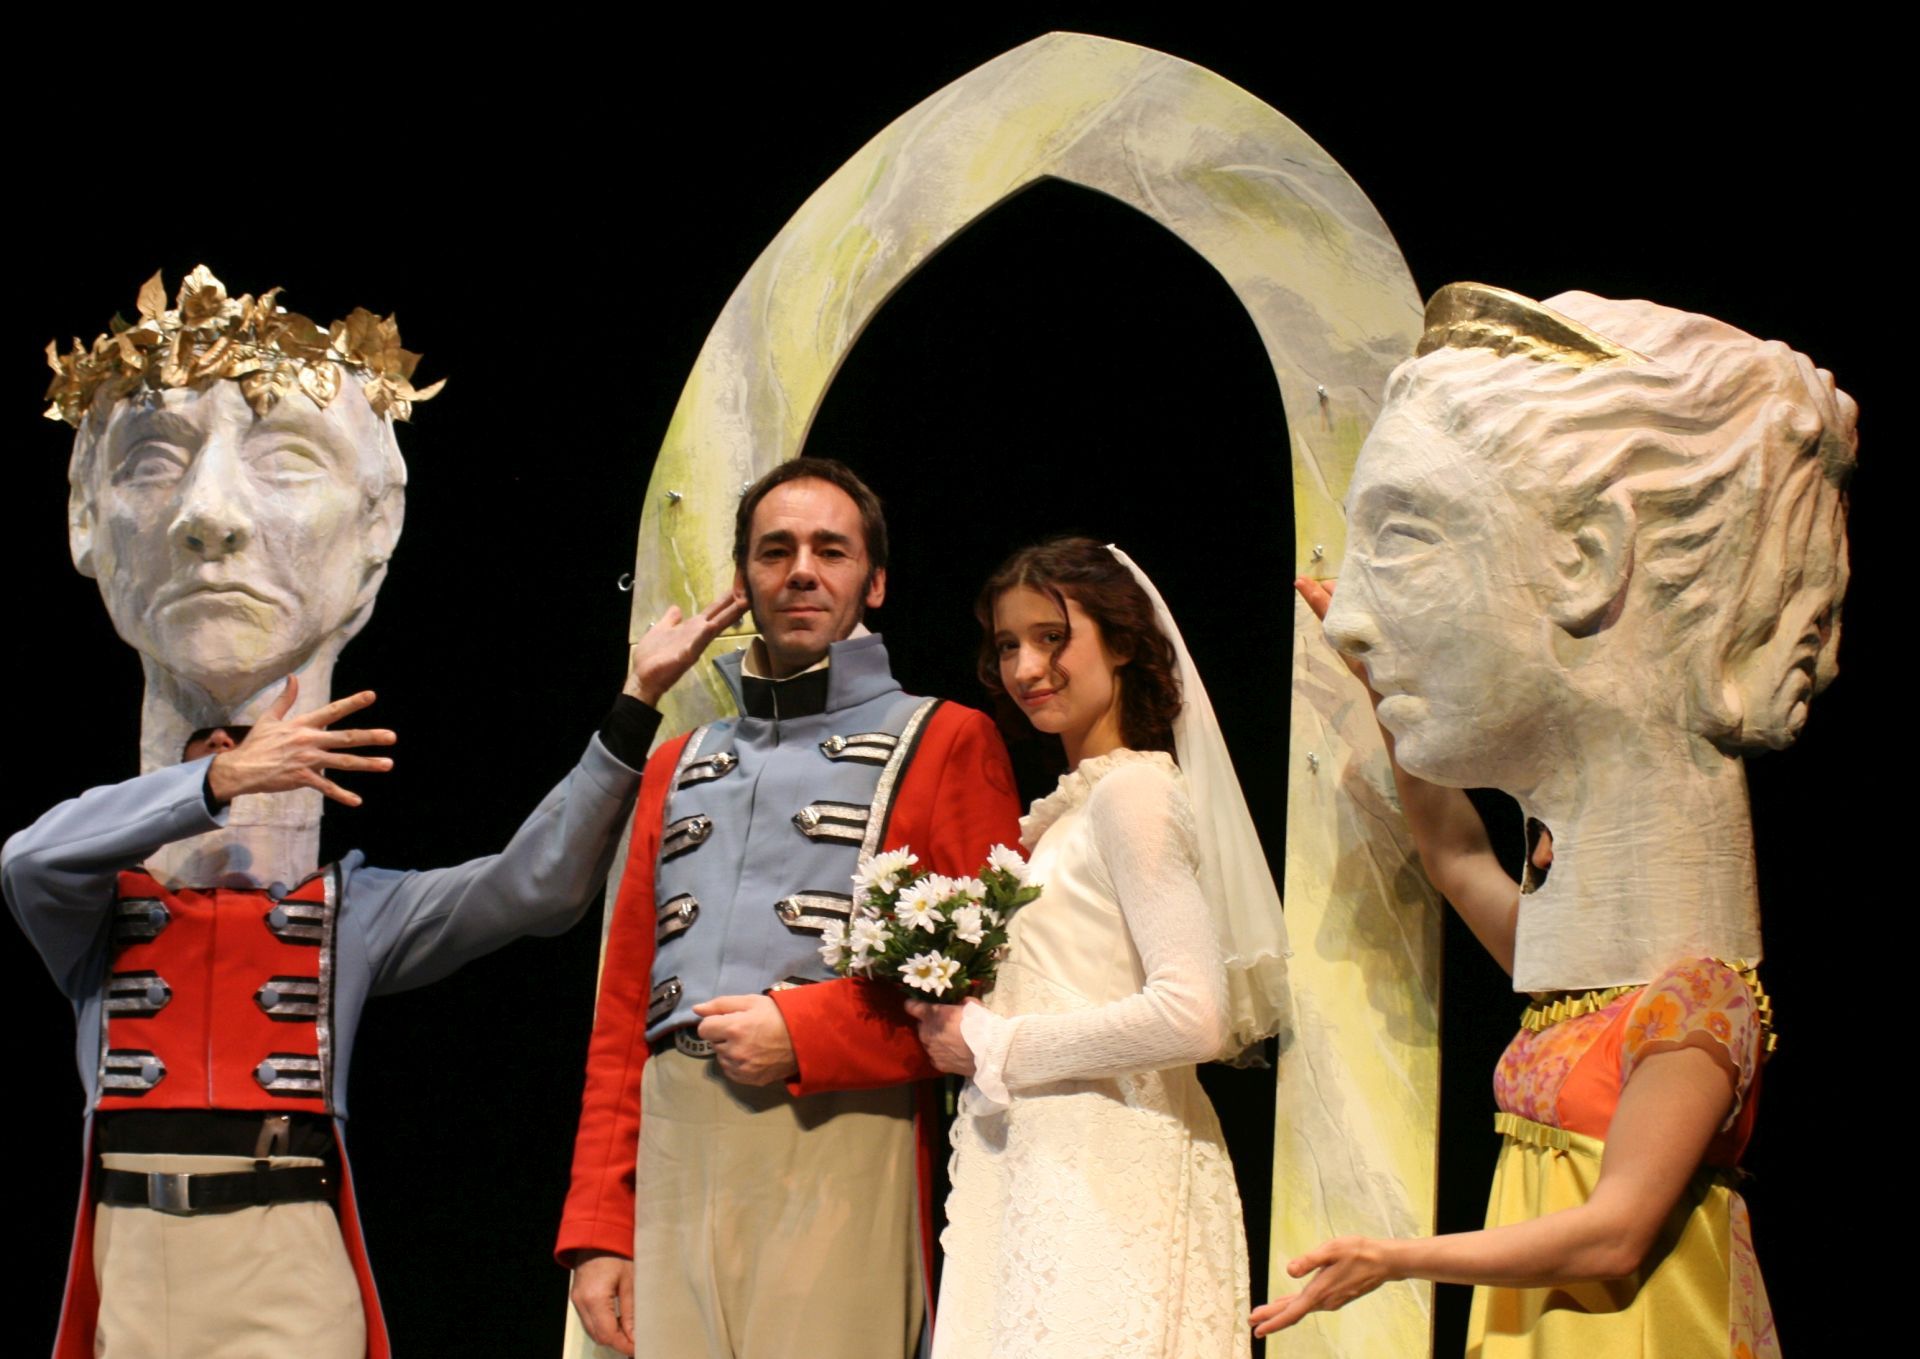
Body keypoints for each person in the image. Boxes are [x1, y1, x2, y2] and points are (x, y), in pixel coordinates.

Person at [8, 264, 748, 1359]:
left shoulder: (352, 918)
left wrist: (631, 709)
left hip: (280, 1255)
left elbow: (531, 886)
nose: (212, 516)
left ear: (375, 531)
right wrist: (214, 781)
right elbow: (30, 859)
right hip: (133, 1259)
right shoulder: (94, 919)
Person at [1252, 284, 1855, 1357]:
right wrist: (1371, 690)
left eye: (1405, 540)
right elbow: (1450, 851)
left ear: (1590, 558)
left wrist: (1399, 1257)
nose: (1356, 610)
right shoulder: (1577, 991)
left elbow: (1615, 1235)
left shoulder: (1698, 1000)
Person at [558, 457, 1023, 1359]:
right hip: (673, 1146)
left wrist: (806, 1033)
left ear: (874, 581)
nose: (801, 570)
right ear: (745, 580)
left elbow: (990, 993)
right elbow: (623, 1014)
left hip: (842, 1133)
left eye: (830, 550)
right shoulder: (677, 761)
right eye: (776, 551)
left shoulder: (949, 738)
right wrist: (600, 1227)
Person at [907, 537, 1292, 1359]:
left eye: (1052, 636)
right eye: (1009, 644)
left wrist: (996, 1041)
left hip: (1107, 1173)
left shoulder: (1133, 795)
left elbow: (1194, 1015)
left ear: (1121, 641)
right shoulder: (1072, 812)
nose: (1026, 665)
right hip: (1048, 1167)